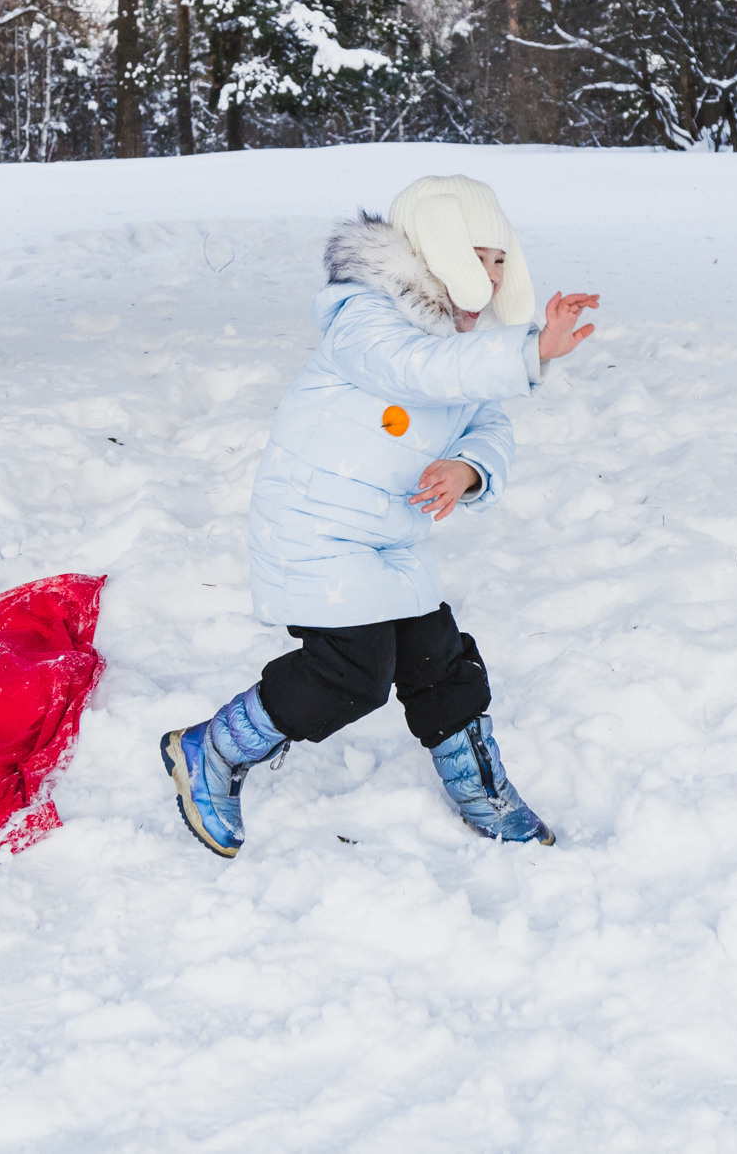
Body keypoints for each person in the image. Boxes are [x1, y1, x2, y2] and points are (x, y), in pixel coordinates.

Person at [162, 175, 600, 858]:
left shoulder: (467, 344)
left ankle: (478, 785)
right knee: (352, 673)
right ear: (435, 251)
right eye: (477, 258)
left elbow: (486, 420)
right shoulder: (366, 317)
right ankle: (213, 747)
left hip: (392, 531)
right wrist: (529, 352)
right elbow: (417, 369)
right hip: (316, 524)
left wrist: (469, 467)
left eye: (500, 260)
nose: (491, 275)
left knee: (437, 655)